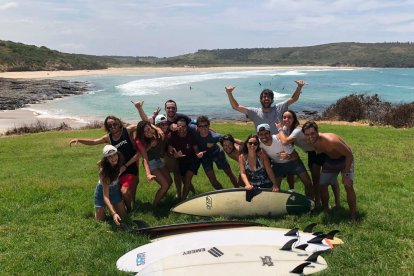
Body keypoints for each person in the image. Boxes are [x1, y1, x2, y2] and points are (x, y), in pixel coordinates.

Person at [70, 115, 138, 211]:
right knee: (118, 190)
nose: (113, 127)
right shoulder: (108, 138)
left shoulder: (128, 130)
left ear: (118, 122)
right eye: (109, 126)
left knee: (125, 191)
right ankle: (119, 204)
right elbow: (94, 141)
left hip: (130, 165)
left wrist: (157, 127)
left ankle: (130, 209)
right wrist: (79, 140)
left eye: (114, 124)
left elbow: (144, 125)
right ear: (107, 127)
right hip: (117, 166)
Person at [276, 110, 340, 207]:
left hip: (323, 150)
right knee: (315, 179)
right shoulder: (286, 129)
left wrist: (279, 129)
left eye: (289, 117)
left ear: (294, 119)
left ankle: (337, 203)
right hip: (312, 153)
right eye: (284, 117)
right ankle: (317, 202)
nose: (286, 119)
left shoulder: (297, 130)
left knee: (331, 179)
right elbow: (279, 138)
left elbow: (285, 141)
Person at [302, 121, 357, 221]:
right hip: (331, 160)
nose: (310, 136)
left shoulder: (331, 141)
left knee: (348, 185)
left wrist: (346, 174)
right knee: (322, 185)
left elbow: (349, 154)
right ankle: (326, 209)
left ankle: (353, 215)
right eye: (307, 134)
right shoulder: (310, 141)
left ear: (317, 132)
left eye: (313, 133)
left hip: (345, 159)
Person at [225, 80, 306, 134]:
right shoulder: (254, 112)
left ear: (272, 100)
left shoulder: (279, 108)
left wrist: (299, 87)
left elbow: (293, 99)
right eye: (264, 97)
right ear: (261, 99)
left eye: (269, 97)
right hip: (263, 145)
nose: (266, 99)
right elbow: (236, 107)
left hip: (279, 143)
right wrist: (229, 93)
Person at [257, 123, 313, 198]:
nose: (264, 136)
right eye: (261, 134)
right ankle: (279, 204)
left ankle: (309, 202)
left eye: (266, 133)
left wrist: (289, 156)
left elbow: (296, 156)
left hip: (293, 162)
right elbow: (245, 144)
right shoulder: (258, 143)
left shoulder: (279, 139)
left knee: (308, 183)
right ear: (258, 135)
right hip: (277, 164)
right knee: (275, 188)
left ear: (270, 133)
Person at [189, 116, 239, 189]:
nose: (203, 128)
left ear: (209, 126)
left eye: (205, 126)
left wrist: (242, 144)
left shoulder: (215, 136)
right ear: (197, 127)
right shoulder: (193, 128)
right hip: (205, 157)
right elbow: (185, 121)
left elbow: (230, 139)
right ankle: (222, 194)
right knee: (212, 180)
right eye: (200, 126)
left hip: (217, 153)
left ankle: (238, 189)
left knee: (229, 173)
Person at [135, 120, 172, 208]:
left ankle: (162, 196)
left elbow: (147, 120)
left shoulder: (155, 132)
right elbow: (145, 159)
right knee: (165, 185)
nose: (147, 132)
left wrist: (157, 128)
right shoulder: (141, 141)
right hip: (151, 164)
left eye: (148, 129)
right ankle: (154, 206)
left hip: (158, 160)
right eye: (144, 131)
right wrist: (148, 174)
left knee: (170, 181)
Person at [167, 118, 203, 200]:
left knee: (187, 178)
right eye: (179, 126)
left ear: (187, 127)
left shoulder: (191, 135)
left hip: (194, 159)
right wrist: (174, 155)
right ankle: (194, 193)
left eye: (183, 126)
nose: (181, 129)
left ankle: (182, 201)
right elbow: (170, 152)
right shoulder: (172, 135)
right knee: (185, 181)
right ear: (176, 126)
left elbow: (196, 149)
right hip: (182, 160)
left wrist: (198, 154)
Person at [94, 145, 126, 225]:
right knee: (100, 221)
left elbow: (123, 168)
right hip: (102, 192)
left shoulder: (119, 163)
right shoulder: (105, 174)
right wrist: (114, 213)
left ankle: (112, 207)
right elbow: (105, 197)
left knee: (123, 217)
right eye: (110, 157)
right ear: (107, 160)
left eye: (114, 155)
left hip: (115, 190)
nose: (113, 158)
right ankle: (101, 208)